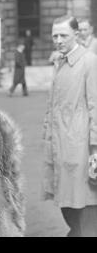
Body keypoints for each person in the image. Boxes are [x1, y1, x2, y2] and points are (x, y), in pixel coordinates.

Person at [42, 15, 97, 237]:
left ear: (77, 34)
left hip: (80, 145)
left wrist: (95, 149)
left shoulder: (90, 61)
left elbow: (95, 106)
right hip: (60, 144)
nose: (58, 39)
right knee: (67, 202)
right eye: (55, 35)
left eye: (63, 35)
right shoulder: (60, 60)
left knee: (85, 203)